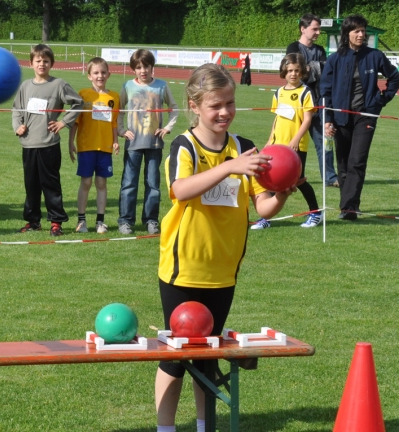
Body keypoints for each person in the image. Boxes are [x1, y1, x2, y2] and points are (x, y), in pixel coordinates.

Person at [156, 64, 299, 432]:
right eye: (215, 105)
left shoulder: (245, 148)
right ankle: (165, 428)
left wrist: (281, 193)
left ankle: (206, 427)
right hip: (183, 270)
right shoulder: (184, 146)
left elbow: (263, 207)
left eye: (230, 103)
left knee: (208, 360)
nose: (225, 112)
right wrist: (231, 167)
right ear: (195, 105)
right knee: (175, 359)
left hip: (223, 273)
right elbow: (181, 189)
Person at [320, 14, 399, 220]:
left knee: (357, 161)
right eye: (357, 31)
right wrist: (328, 117)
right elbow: (325, 91)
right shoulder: (334, 59)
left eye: (363, 30)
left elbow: (395, 76)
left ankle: (349, 208)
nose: (361, 34)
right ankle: (347, 207)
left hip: (366, 116)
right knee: (343, 162)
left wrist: (381, 100)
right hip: (340, 117)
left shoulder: (375, 56)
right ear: (347, 34)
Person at [11, 44, 84, 236]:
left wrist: (64, 123)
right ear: (31, 63)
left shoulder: (58, 84)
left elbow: (78, 103)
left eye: (46, 61)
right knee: (31, 185)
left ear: (51, 63)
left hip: (49, 144)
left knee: (51, 185)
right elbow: (16, 109)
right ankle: (33, 221)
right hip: (28, 144)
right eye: (38, 61)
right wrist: (17, 127)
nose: (41, 64)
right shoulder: (25, 86)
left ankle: (56, 222)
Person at [251, 53, 322, 229]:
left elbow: (307, 119)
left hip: (295, 146)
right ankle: (265, 217)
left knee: (298, 180)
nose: (293, 74)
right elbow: (277, 118)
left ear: (302, 72)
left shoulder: (305, 92)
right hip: (277, 145)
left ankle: (315, 213)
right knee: (269, 178)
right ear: (284, 71)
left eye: (297, 70)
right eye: (290, 70)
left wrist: (296, 140)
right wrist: (270, 140)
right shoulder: (279, 92)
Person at [117, 49, 179, 235]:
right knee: (129, 183)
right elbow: (118, 110)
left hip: (154, 144)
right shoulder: (128, 86)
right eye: (138, 67)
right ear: (133, 69)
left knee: (152, 184)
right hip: (133, 143)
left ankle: (151, 220)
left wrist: (167, 127)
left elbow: (174, 108)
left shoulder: (161, 86)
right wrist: (121, 130)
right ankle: (125, 221)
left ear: (152, 67)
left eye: (146, 66)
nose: (142, 70)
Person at [286, 14, 339, 187]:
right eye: (315, 28)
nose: (318, 32)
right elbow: (298, 72)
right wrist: (313, 68)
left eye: (319, 29)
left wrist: (311, 68)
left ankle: (330, 178)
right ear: (303, 28)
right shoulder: (293, 47)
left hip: (318, 103)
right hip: (298, 105)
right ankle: (291, 176)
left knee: (324, 142)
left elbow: (323, 73)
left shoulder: (320, 49)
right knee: (295, 143)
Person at [68, 57, 120, 234]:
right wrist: (70, 143)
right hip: (86, 147)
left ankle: (100, 222)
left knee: (101, 183)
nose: (100, 76)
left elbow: (113, 123)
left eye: (103, 72)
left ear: (109, 74)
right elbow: (76, 122)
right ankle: (81, 221)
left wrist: (115, 141)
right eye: (96, 73)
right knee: (86, 182)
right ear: (89, 76)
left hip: (104, 148)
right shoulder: (83, 94)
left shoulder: (114, 97)